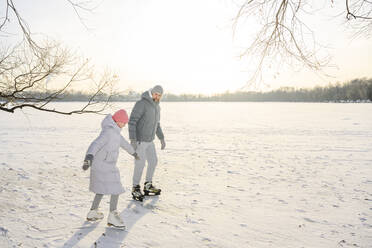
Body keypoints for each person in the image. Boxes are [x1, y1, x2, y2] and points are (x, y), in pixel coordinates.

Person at [82, 109, 139, 228]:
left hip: (105, 165)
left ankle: (93, 212)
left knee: (101, 189)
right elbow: (95, 144)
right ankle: (113, 216)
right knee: (116, 188)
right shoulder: (108, 132)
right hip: (102, 165)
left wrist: (134, 153)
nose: (124, 125)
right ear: (118, 121)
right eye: (123, 122)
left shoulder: (116, 133)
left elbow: (125, 144)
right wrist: (89, 157)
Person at [128, 85, 166, 201]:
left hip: (150, 141)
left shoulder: (157, 107)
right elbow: (132, 121)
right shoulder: (141, 103)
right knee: (140, 164)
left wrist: (161, 138)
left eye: (159, 95)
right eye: (155, 94)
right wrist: (133, 139)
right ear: (151, 92)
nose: (157, 96)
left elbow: (157, 124)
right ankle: (135, 187)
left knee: (153, 162)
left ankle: (148, 185)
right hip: (140, 141)